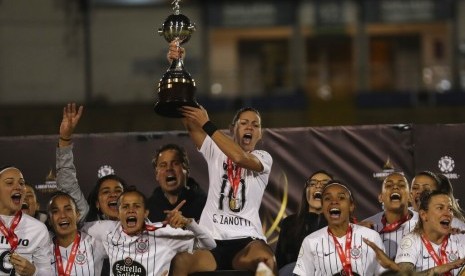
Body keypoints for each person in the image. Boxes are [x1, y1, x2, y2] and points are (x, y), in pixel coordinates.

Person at [169, 102, 276, 274]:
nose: (250, 126)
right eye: (243, 123)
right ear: (232, 129)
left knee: (266, 260)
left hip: (247, 243)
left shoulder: (263, 158)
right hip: (210, 242)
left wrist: (207, 124)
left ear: (260, 134)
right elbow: (190, 122)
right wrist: (183, 97)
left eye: (255, 125)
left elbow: (239, 158)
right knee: (182, 261)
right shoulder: (215, 150)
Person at [83, 187, 216, 275]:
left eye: (136, 206)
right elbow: (77, 227)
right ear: (118, 213)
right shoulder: (106, 229)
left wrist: (188, 223)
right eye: (125, 206)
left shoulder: (164, 234)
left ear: (145, 212)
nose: (131, 210)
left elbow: (209, 244)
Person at [293, 180, 385, 275]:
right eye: (328, 198)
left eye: (341, 198)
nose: (334, 201)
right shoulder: (311, 241)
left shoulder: (372, 237)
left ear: (351, 206)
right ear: (323, 207)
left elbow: (384, 274)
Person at [365, 190, 465, 275]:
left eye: (450, 209)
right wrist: (438, 270)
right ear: (423, 214)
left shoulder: (460, 239)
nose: (447, 213)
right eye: (440, 208)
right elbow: (403, 275)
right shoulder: (411, 241)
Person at [275, 170, 333, 273]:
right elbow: (280, 263)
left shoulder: (342, 223)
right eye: (313, 183)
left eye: (325, 184)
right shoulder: (289, 223)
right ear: (306, 191)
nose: (318, 186)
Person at [0, 166, 52, 276]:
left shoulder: (38, 229)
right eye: (9, 183)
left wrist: (34, 272)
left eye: (21, 183)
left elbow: (47, 272)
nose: (18, 187)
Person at [48, 191, 106, 275]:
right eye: (55, 211)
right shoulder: (43, 250)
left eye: (68, 209)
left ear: (77, 215)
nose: (63, 215)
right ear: (50, 220)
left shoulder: (96, 244)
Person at [362, 172, 417, 260]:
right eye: (388, 185)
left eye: (402, 185)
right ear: (381, 197)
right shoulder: (365, 228)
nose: (395, 187)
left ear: (410, 196)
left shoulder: (424, 223)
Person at [148, 143, 207, 222]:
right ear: (157, 174)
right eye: (163, 165)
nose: (169, 168)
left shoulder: (206, 205)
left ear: (186, 170)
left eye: (175, 163)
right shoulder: (148, 207)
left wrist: (188, 224)